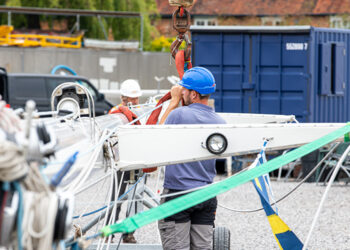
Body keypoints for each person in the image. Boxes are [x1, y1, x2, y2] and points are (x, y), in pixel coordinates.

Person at [158, 67, 226, 250]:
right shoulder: (220, 122)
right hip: (206, 195)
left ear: (194, 94)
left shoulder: (179, 114)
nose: (182, 93)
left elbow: (155, 135)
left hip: (178, 194)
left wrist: (173, 102)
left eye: (184, 90)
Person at [108, 79, 142, 244]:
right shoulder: (116, 113)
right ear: (124, 97)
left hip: (138, 161)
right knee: (116, 198)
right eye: (131, 98)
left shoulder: (140, 111)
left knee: (136, 198)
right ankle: (109, 232)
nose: (134, 101)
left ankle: (129, 233)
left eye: (136, 98)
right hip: (121, 162)